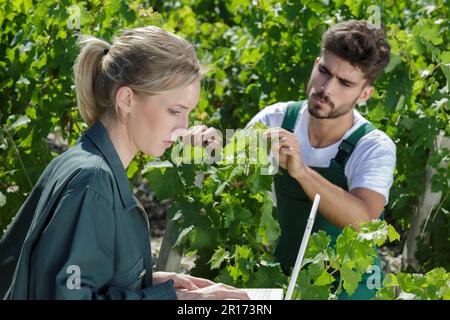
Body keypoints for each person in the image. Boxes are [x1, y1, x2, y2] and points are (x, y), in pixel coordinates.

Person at [0, 26, 249, 300]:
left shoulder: (89, 163)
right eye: (175, 111)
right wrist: (173, 300)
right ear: (127, 99)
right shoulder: (92, 181)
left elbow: (75, 278)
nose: (184, 127)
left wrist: (145, 281)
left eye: (188, 113)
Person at [248, 20, 396, 299]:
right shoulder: (276, 119)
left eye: (345, 83)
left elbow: (365, 223)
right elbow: (227, 179)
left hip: (352, 287)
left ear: (365, 94)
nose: (327, 88)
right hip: (286, 276)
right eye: (324, 71)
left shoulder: (373, 146)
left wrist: (302, 172)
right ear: (316, 63)